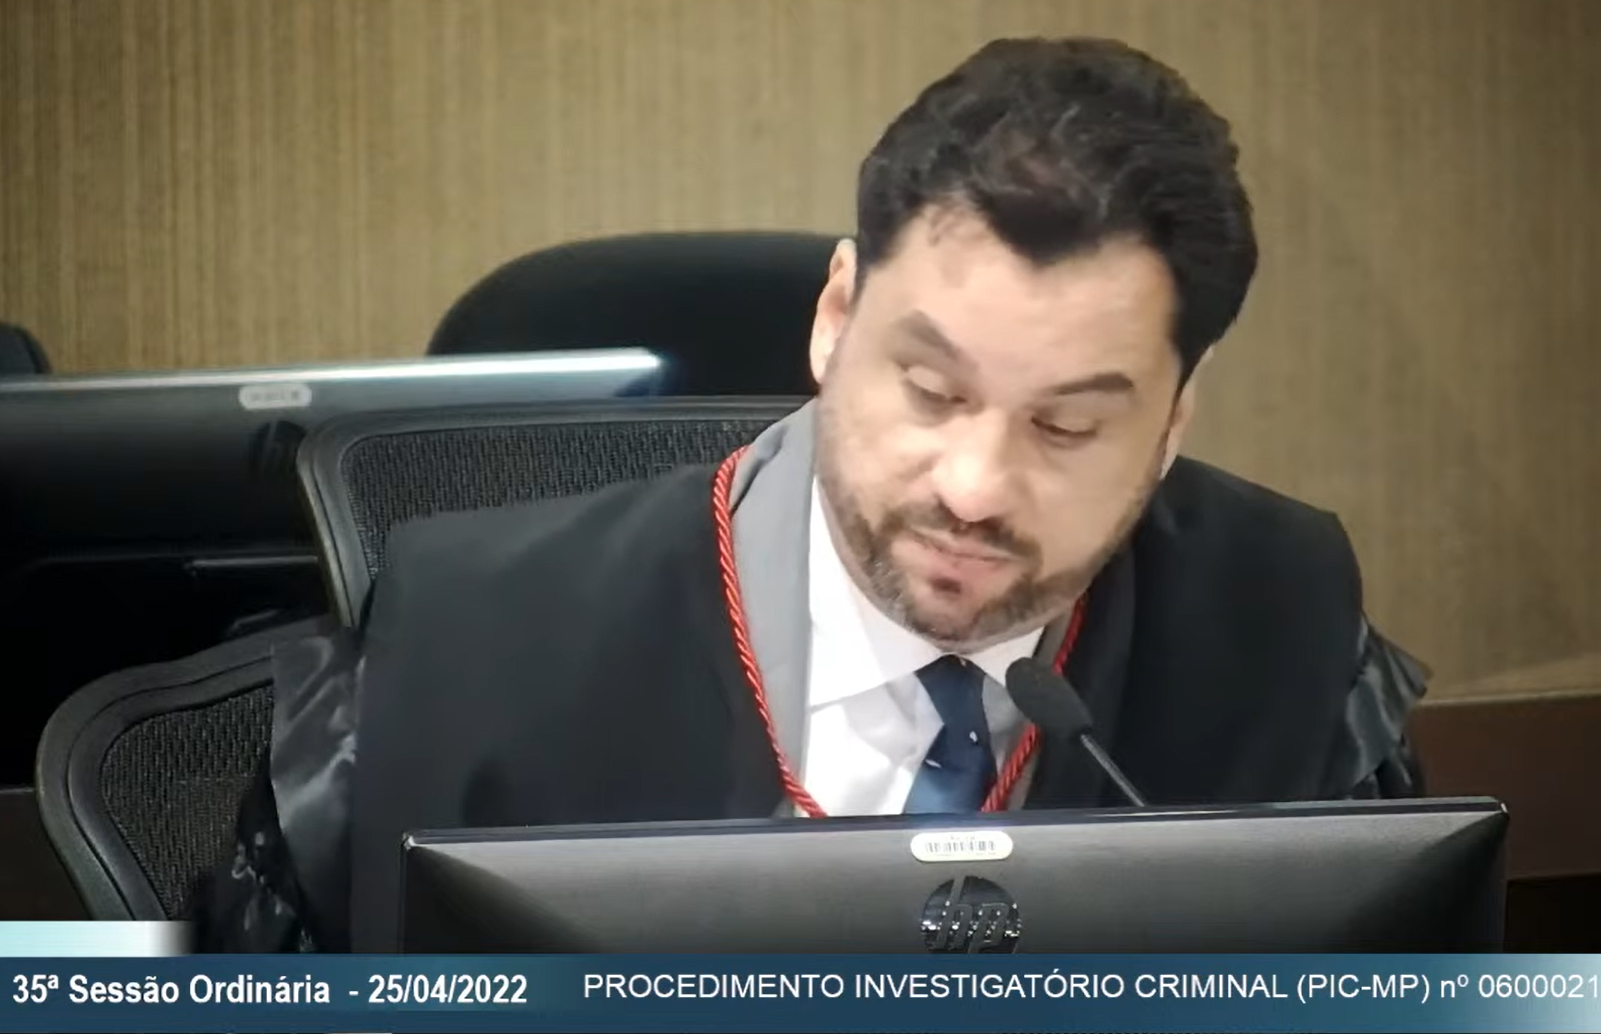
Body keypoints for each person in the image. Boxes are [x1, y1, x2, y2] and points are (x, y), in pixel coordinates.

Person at [194, 36, 1428, 953]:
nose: (973, 487)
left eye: (1065, 426)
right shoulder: (466, 645)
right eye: (930, 390)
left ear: (1172, 421)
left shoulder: (1288, 638)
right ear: (836, 317)